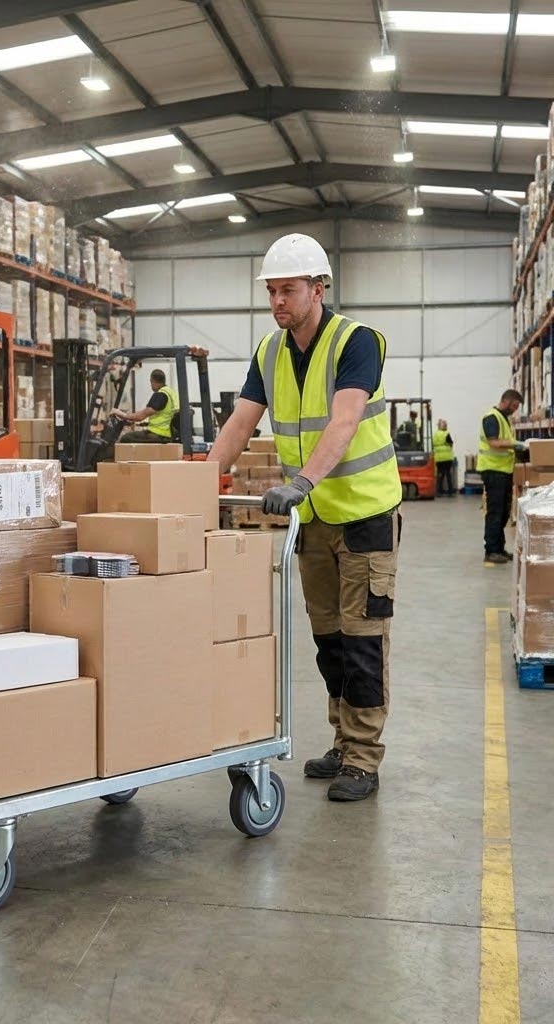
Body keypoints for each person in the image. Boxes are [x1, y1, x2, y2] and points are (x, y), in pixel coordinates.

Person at [208, 233, 402, 803]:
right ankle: (342, 741)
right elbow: (240, 423)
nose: (277, 301)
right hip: (313, 521)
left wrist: (301, 482)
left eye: (287, 290)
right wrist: (197, 484)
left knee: (363, 641)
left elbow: (344, 421)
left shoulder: (357, 342)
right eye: (270, 291)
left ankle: (363, 757)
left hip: (365, 515)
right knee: (329, 641)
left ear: (318, 289)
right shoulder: (269, 352)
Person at [479, 390, 526, 564]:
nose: (514, 410)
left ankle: (499, 548)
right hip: (493, 471)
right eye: (514, 406)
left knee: (504, 512)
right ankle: (491, 550)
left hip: (503, 471)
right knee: (495, 512)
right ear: (506, 401)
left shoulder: (504, 419)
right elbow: (493, 442)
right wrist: (516, 444)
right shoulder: (491, 417)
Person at [109, 368, 179, 443]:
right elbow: (165, 415)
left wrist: (121, 414)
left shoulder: (160, 395)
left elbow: (140, 417)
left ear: (153, 381)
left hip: (158, 434)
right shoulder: (171, 392)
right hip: (167, 433)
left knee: (125, 438)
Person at [433, 418, 456, 496]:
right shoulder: (446, 434)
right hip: (447, 457)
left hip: (438, 458)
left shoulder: (435, 434)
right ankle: (450, 491)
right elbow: (451, 443)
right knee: (448, 474)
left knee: (440, 474)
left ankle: (439, 491)